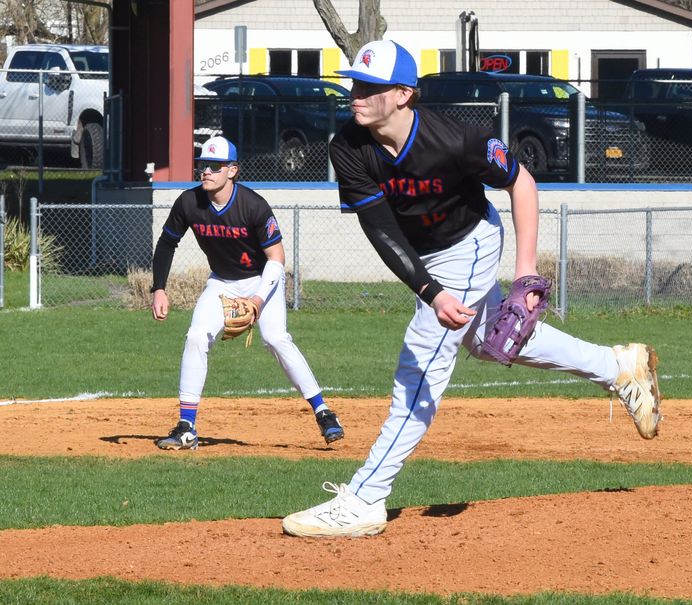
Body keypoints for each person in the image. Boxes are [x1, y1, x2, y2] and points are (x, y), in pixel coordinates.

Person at [281, 40, 661, 537]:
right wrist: (429, 290)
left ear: (402, 94)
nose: (356, 93)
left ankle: (367, 499)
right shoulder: (347, 148)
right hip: (428, 259)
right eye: (355, 83)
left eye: (370, 87)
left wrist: (526, 278)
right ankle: (619, 367)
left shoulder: (455, 139)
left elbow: (521, 183)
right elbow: (381, 230)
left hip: (472, 242)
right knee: (485, 340)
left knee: (420, 360)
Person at [150, 136, 344, 450]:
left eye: (215, 166)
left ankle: (323, 412)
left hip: (262, 279)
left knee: (276, 338)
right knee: (196, 336)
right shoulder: (189, 202)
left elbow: (277, 259)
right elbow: (167, 244)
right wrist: (159, 288)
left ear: (233, 170)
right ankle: (186, 426)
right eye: (202, 165)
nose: (206, 171)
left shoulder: (253, 206)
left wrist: (257, 300)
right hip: (222, 282)